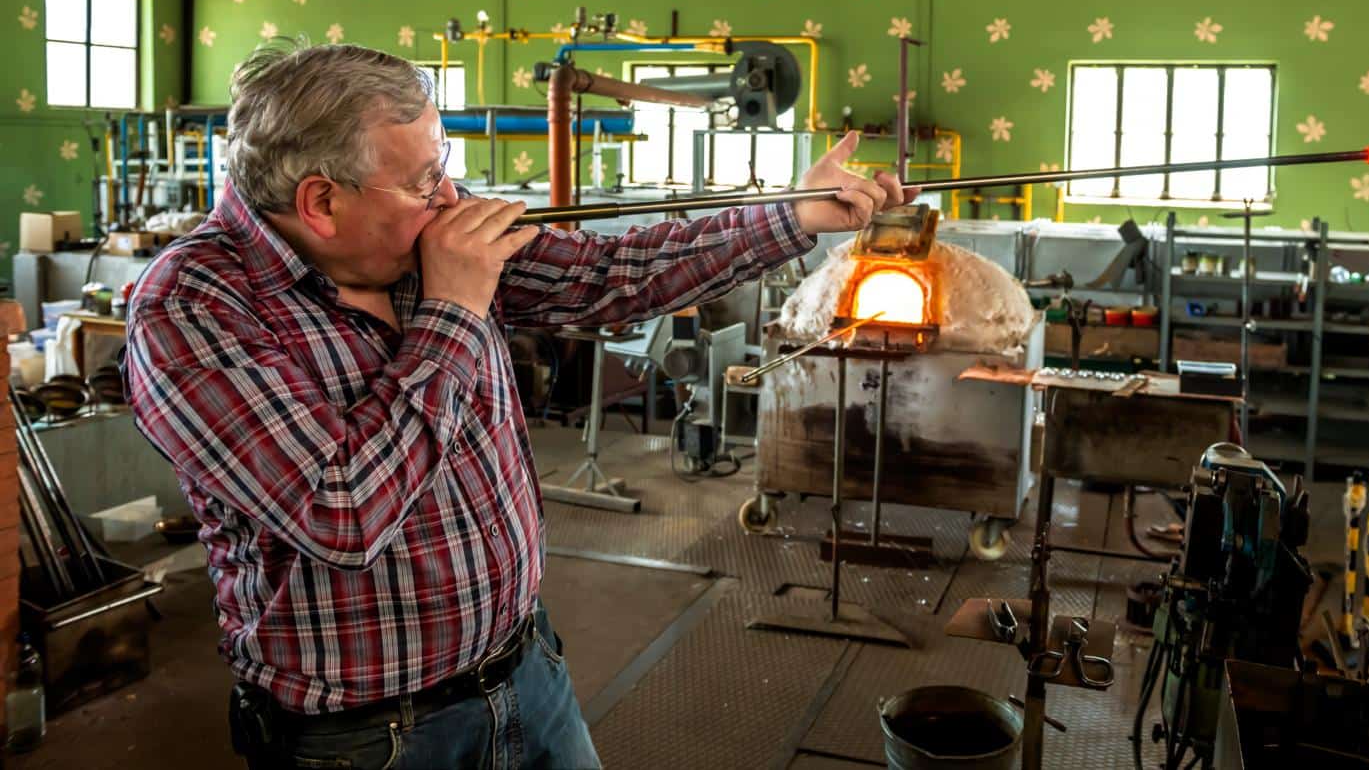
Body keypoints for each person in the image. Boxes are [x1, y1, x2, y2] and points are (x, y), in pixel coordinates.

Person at [123, 42, 914, 769]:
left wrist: (792, 214)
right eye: (422, 181)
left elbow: (609, 272)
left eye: (444, 168)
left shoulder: (417, 235)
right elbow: (344, 511)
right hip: (372, 737)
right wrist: (454, 310)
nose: (449, 198)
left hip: (527, 673)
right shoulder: (193, 307)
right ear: (322, 201)